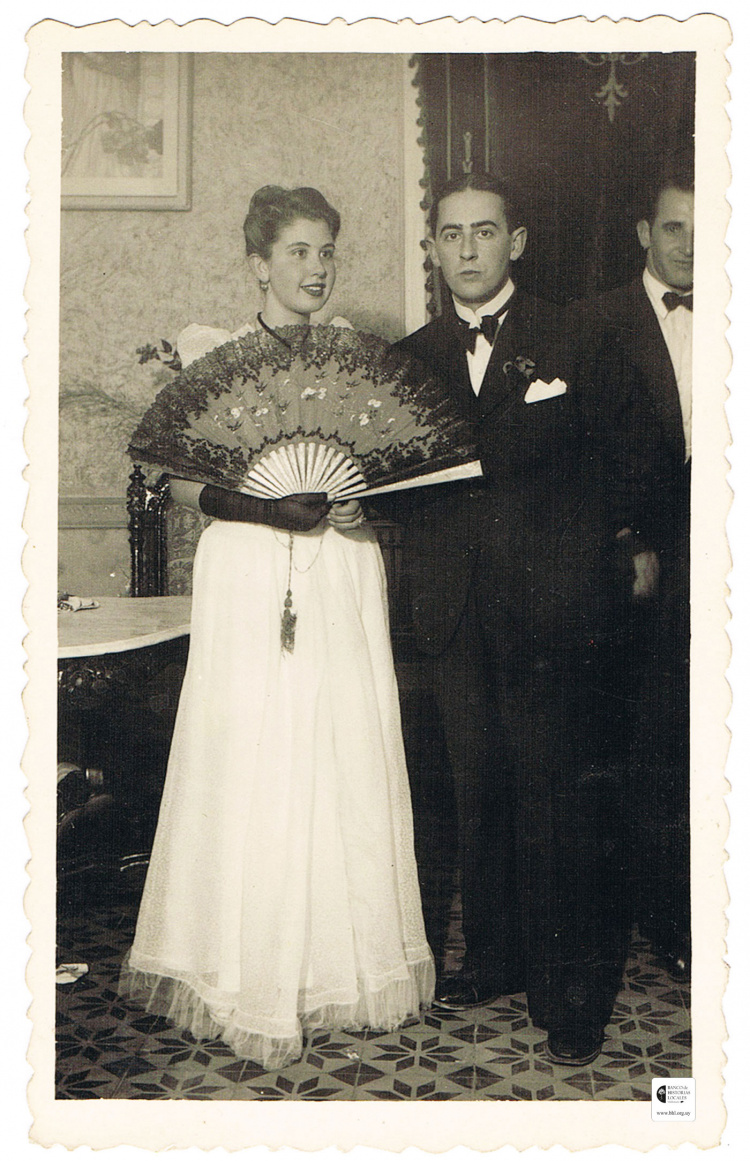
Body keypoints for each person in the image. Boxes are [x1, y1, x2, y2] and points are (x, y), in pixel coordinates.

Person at [120, 185, 435, 1070]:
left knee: (338, 746)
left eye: (326, 250)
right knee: (256, 749)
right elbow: (177, 481)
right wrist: (263, 507)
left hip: (339, 565)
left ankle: (338, 967)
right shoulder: (212, 357)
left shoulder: (360, 364)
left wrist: (360, 505)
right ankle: (243, 970)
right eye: (298, 251)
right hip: (249, 571)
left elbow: (392, 469)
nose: (317, 268)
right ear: (258, 264)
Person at [386, 172, 659, 1067]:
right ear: (432, 247)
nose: (467, 248)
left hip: (552, 609)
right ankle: (495, 956)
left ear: (518, 241)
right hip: (454, 610)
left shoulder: (577, 334)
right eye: (450, 233)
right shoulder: (409, 357)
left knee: (557, 801)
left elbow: (633, 456)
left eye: (484, 231)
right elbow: (400, 484)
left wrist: (597, 554)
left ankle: (571, 993)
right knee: (480, 794)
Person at [571, 159, 693, 982]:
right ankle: (658, 918)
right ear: (645, 231)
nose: (689, 245)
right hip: (642, 561)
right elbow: (580, 456)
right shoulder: (595, 321)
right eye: (673, 227)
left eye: (705, 229)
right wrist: (625, 537)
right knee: (648, 743)